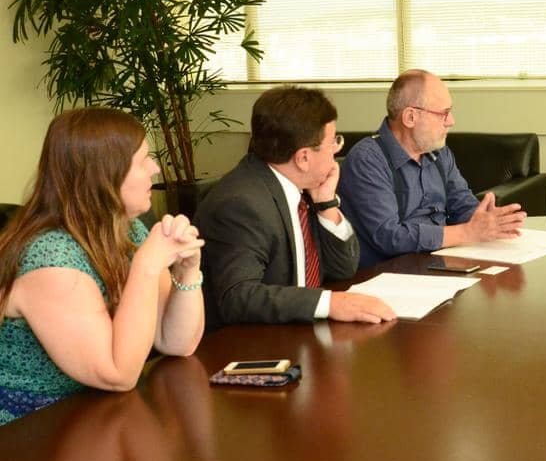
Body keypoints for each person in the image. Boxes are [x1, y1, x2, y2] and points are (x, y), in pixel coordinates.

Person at [0, 108, 205, 425]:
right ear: (105, 174)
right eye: (143, 161)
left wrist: (187, 270)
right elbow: (117, 374)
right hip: (27, 434)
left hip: (93, 416)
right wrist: (147, 266)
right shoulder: (50, 257)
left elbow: (177, 342)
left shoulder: (128, 229)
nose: (154, 169)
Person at [196, 85, 395, 326]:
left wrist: (327, 204)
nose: (336, 150)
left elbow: (343, 269)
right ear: (303, 158)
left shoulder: (301, 186)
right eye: (333, 142)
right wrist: (328, 303)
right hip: (246, 346)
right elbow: (240, 296)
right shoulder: (241, 205)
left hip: (295, 331)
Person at [339, 70, 526, 269]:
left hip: (439, 263)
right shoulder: (368, 160)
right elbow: (389, 237)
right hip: (390, 275)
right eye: (443, 113)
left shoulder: (439, 152)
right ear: (410, 117)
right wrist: (466, 232)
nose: (451, 121)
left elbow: (461, 204)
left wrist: (489, 221)